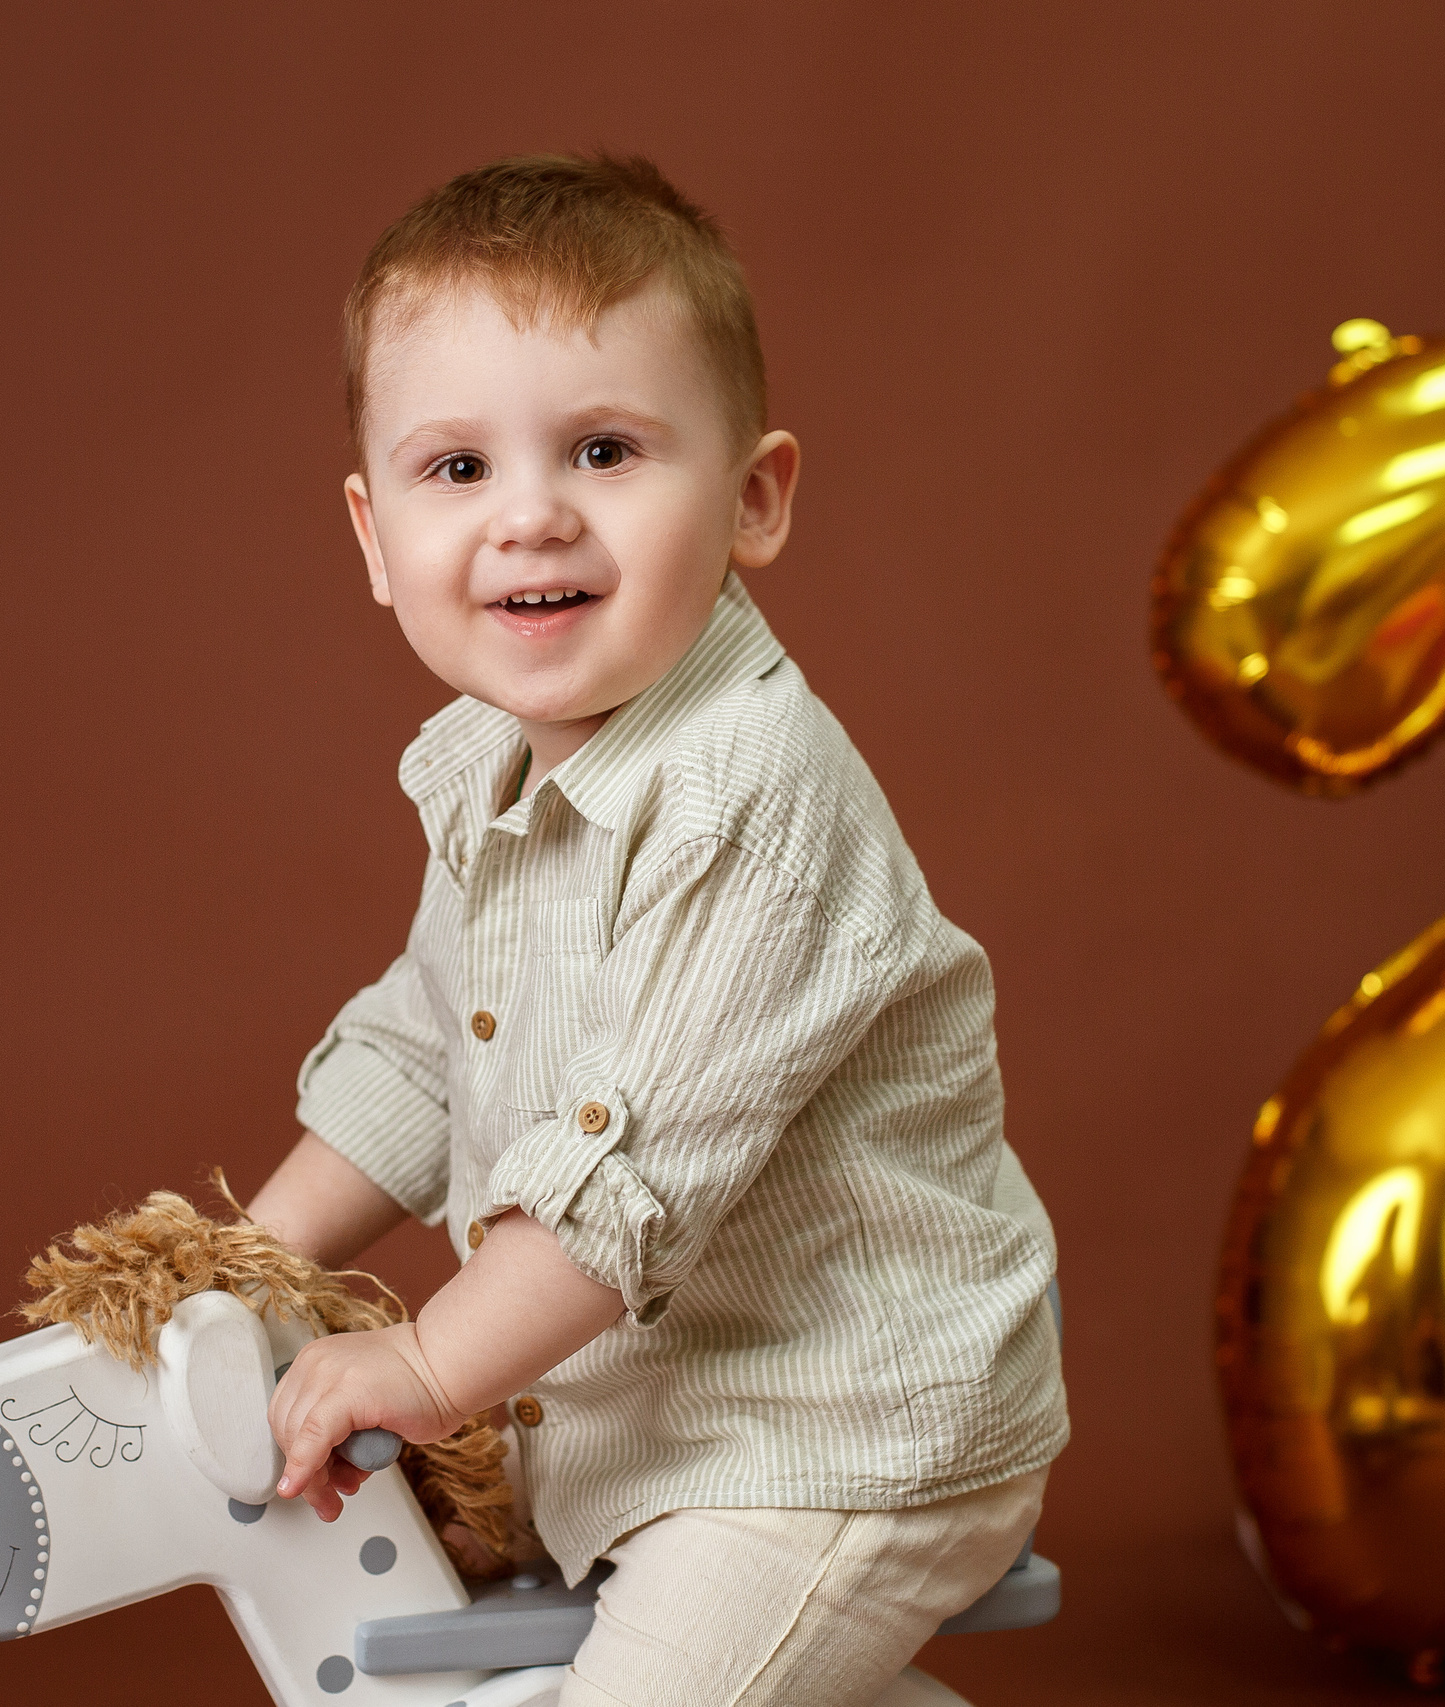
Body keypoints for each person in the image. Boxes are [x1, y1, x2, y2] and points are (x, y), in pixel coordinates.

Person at [246, 152, 1067, 1707]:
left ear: (753, 499)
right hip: (651, 1419)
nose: (531, 519)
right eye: (457, 470)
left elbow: (630, 1169)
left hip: (835, 1436)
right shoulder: (492, 767)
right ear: (374, 537)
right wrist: (246, 1262)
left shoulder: (751, 799)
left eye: (606, 450)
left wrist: (425, 1369)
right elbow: (427, 1046)